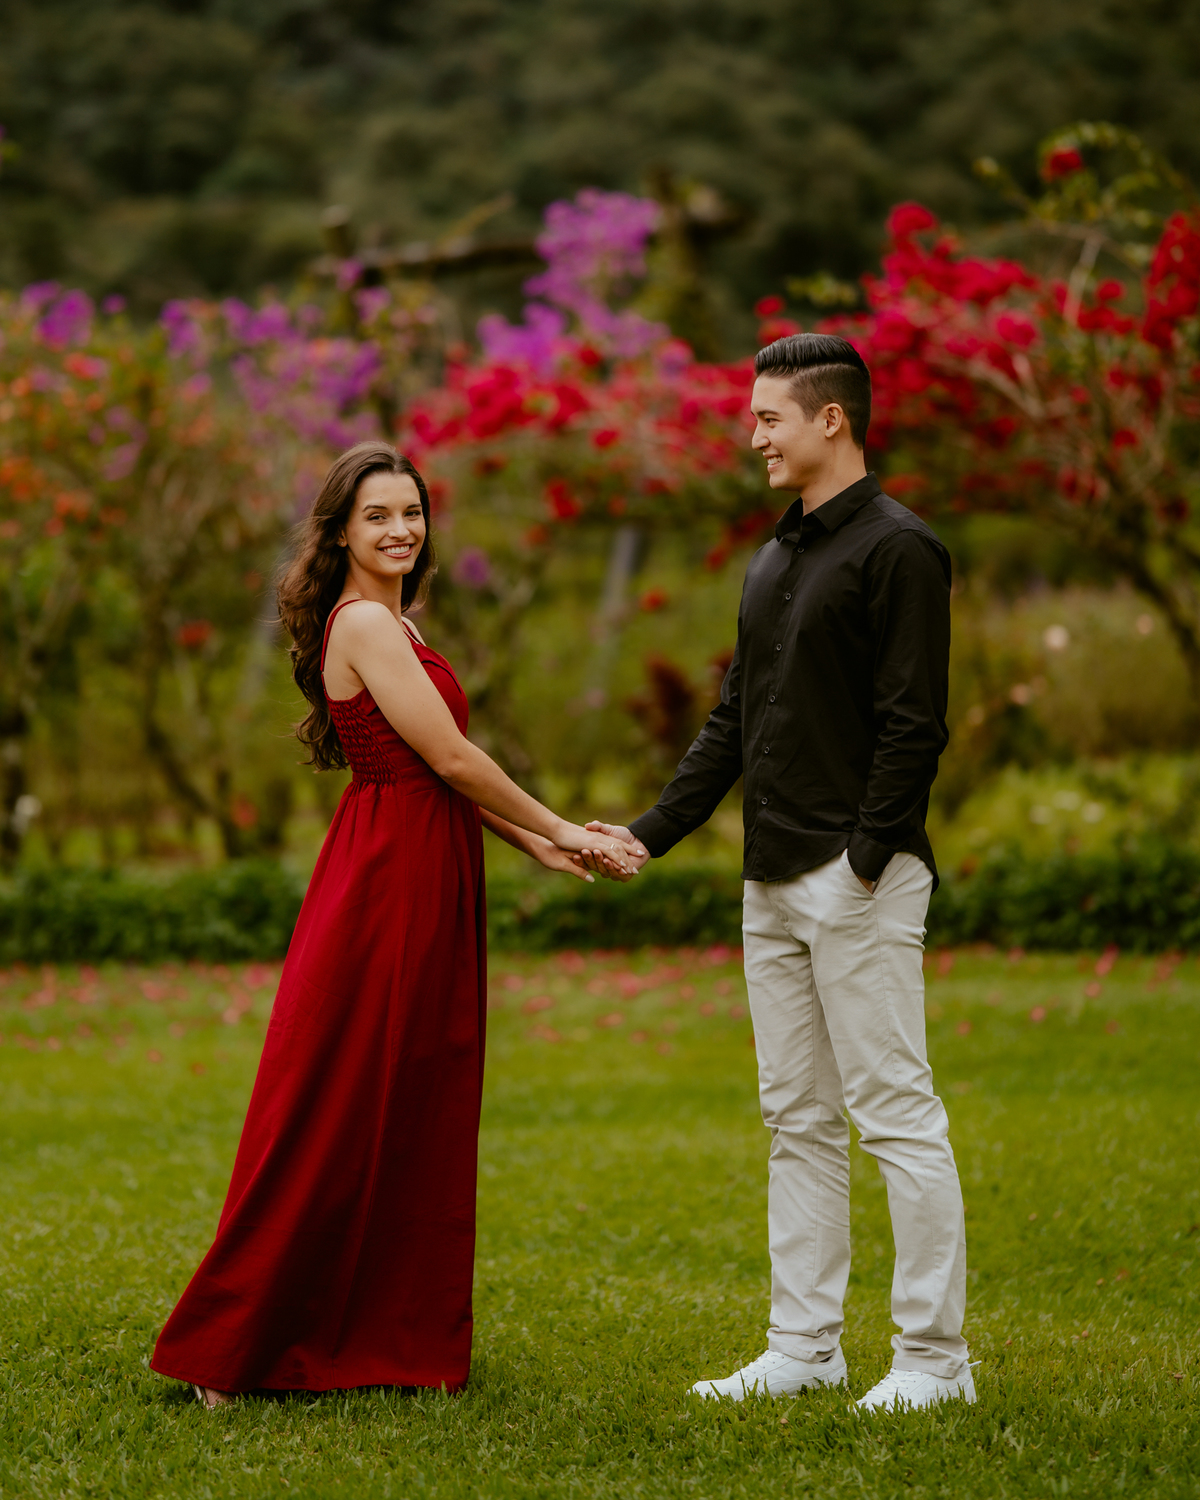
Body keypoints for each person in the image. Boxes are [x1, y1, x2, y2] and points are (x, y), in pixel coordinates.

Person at [151, 440, 635, 1407]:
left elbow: (432, 767)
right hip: (387, 886)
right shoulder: (366, 624)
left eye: (411, 511)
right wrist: (562, 826)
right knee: (337, 1101)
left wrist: (527, 842)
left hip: (424, 862)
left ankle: (385, 1334)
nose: (401, 529)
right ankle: (238, 1348)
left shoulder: (401, 626)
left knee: (411, 1098)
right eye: (377, 515)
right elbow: (451, 759)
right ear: (342, 532)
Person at [580, 333, 974, 1413]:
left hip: (860, 881)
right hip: (768, 883)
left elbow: (913, 726)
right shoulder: (775, 554)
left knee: (895, 1115)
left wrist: (863, 859)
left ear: (830, 420)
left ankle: (936, 1363)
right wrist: (649, 834)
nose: (751, 433)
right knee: (795, 1119)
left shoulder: (902, 550)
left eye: (768, 417)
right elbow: (733, 721)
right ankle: (804, 1348)